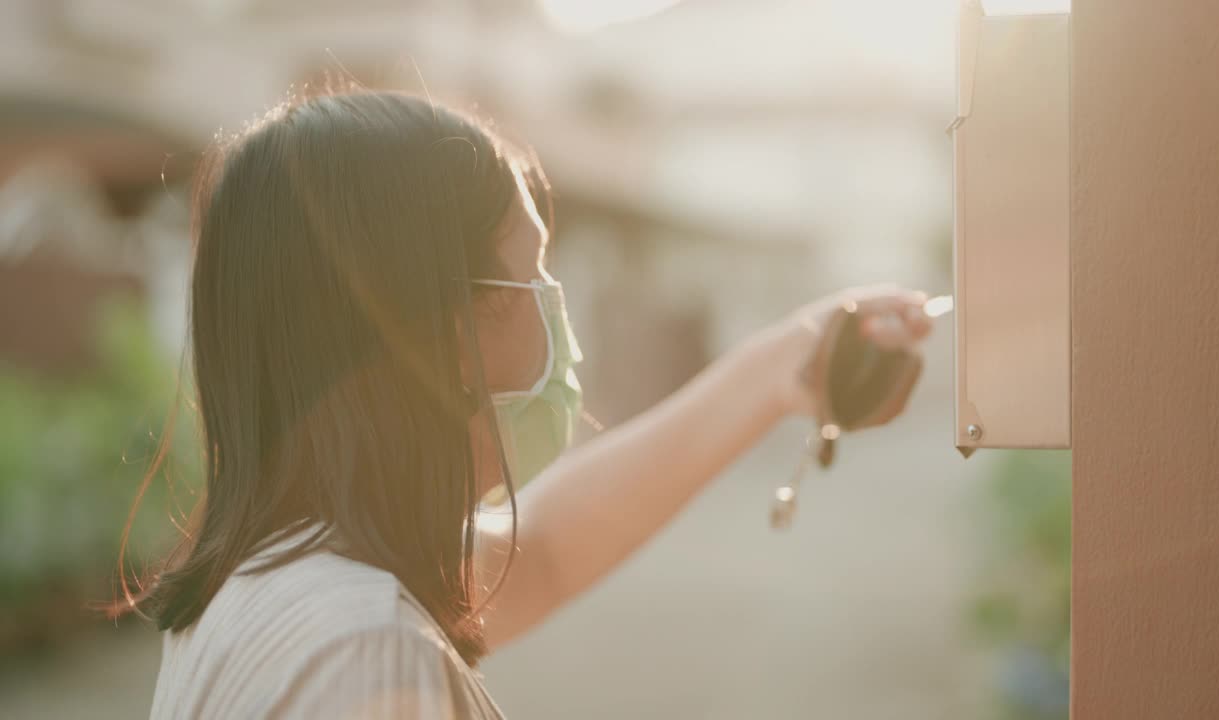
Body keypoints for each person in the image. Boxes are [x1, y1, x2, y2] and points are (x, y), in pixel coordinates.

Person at [122, 90, 933, 719]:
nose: (555, 303)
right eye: (535, 274)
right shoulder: (365, 652)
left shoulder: (280, 578)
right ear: (450, 327)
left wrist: (784, 365)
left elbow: (540, 548)